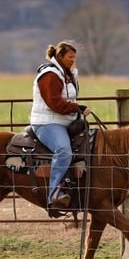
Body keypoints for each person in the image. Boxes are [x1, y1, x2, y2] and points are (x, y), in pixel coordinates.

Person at [29, 40, 91, 211]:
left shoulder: (67, 74)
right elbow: (54, 103)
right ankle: (54, 194)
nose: (73, 60)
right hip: (47, 122)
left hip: (64, 121)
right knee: (64, 151)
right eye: (70, 57)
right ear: (60, 56)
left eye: (74, 58)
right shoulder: (50, 75)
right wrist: (76, 107)